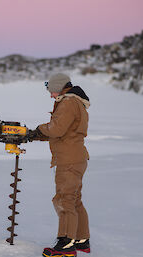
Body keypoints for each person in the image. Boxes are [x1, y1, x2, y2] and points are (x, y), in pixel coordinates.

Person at [31, 73, 91, 257]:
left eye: (51, 91)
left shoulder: (68, 102)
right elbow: (63, 130)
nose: (50, 95)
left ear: (59, 87)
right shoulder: (76, 102)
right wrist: (37, 135)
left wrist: (38, 130)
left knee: (65, 199)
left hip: (69, 160)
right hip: (76, 157)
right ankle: (81, 239)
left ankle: (66, 244)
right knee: (74, 199)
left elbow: (56, 129)